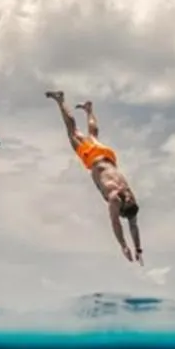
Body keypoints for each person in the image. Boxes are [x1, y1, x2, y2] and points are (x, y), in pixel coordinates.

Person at [46, 90, 142, 263]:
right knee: (72, 131)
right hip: (94, 160)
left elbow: (133, 225)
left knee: (93, 136)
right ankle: (60, 101)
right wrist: (124, 246)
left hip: (109, 157)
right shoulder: (115, 199)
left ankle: (89, 110)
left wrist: (138, 248)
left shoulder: (130, 198)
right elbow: (117, 224)